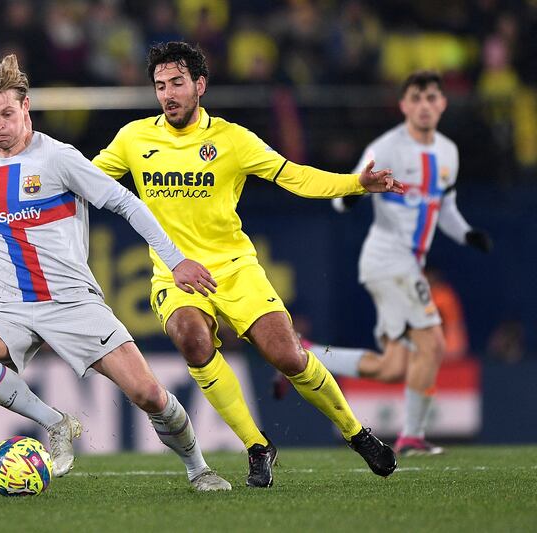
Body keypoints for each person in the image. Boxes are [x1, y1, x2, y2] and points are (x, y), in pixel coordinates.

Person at [0, 54, 231, 492]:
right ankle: (55, 423)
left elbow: (125, 202)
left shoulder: (59, 158)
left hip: (71, 301)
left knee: (147, 394)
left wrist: (175, 259)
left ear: (26, 106)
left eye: (7, 114)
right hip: (6, 304)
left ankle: (198, 467)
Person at [92, 41, 401, 488]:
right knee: (191, 339)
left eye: (177, 83)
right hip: (174, 273)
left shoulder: (232, 140)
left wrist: (355, 184)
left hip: (235, 267)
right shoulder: (134, 139)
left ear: (200, 85)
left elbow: (293, 174)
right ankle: (257, 447)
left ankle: (356, 434)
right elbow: (85, 179)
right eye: (160, 86)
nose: (168, 95)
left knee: (288, 356)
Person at [302, 70, 493, 457]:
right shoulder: (385, 147)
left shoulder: (448, 153)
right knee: (434, 343)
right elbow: (344, 193)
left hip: (405, 264)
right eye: (416, 98)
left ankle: (306, 354)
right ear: (404, 105)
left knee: (391, 366)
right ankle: (412, 435)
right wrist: (355, 194)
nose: (424, 105)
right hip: (390, 259)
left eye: (431, 98)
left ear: (442, 104)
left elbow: (446, 209)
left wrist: (468, 234)